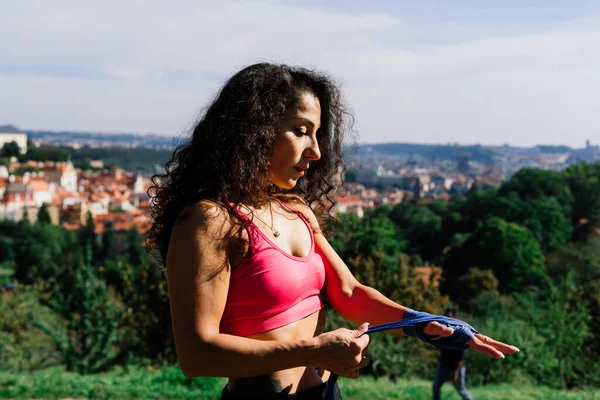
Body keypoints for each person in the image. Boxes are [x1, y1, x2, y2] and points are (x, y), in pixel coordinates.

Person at [147, 63, 518, 400]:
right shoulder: (209, 221)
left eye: (317, 134)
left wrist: (423, 323)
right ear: (252, 131)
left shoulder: (296, 210)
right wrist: (314, 350)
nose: (315, 152)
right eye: (300, 131)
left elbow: (350, 293)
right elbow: (197, 355)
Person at [432, 308, 473, 400]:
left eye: (449, 317)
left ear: (453, 318)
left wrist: (455, 372)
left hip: (456, 368)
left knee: (461, 390)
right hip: (443, 367)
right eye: (445, 316)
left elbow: (460, 357)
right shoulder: (441, 332)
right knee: (436, 387)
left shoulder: (458, 333)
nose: (446, 319)